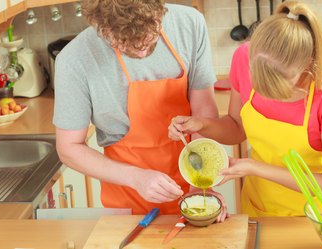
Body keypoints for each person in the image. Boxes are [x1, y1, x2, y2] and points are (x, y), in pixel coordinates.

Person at [168, 0, 322, 217]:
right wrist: (201, 125)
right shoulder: (244, 57)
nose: (265, 92)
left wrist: (254, 167)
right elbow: (237, 127)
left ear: (307, 65)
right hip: (259, 211)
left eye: (277, 83)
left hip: (319, 220)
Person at [53, 0, 228, 220]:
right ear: (101, 27)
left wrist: (202, 185)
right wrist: (137, 178)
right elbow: (68, 148)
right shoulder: (75, 59)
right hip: (127, 200)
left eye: (149, 37)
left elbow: (203, 111)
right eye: (126, 43)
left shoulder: (189, 24)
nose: (143, 52)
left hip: (191, 189)